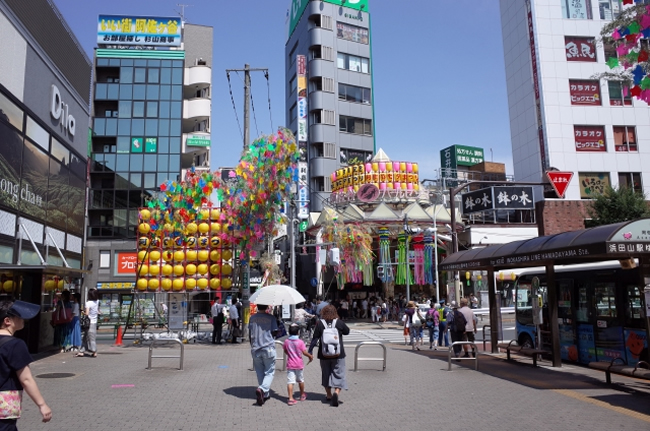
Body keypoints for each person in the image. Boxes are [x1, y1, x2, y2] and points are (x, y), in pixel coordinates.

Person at [0, 300, 52, 428]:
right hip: (3, 406)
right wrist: (42, 404)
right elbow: (26, 379)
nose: (23, 319)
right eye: (19, 316)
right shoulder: (15, 345)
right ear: (7, 321)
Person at [308, 304, 350, 407]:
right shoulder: (339, 323)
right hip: (338, 354)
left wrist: (310, 351)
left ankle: (329, 395)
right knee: (339, 374)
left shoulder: (320, 324)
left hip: (324, 355)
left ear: (324, 313)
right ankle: (336, 392)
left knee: (326, 374)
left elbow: (314, 339)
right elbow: (347, 331)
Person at [249, 304, 279, 406]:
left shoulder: (252, 318)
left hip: (256, 348)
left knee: (260, 372)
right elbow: (275, 332)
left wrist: (252, 346)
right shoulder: (271, 318)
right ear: (266, 307)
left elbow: (250, 333)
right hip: (268, 348)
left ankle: (265, 394)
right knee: (270, 372)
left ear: (257, 307)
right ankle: (262, 389)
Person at [283, 324, 313, 406]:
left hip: (290, 364)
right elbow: (304, 352)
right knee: (300, 380)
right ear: (298, 332)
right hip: (299, 364)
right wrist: (310, 356)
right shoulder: (300, 342)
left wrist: (290, 354)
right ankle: (302, 394)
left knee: (290, 381)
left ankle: (290, 398)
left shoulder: (286, 341)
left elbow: (285, 350)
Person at [76, 288, 99, 358]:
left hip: (89, 323)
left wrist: (82, 311)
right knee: (85, 337)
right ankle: (82, 351)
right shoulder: (97, 301)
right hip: (94, 322)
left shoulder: (88, 303)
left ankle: (94, 351)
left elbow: (87, 313)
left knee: (90, 338)